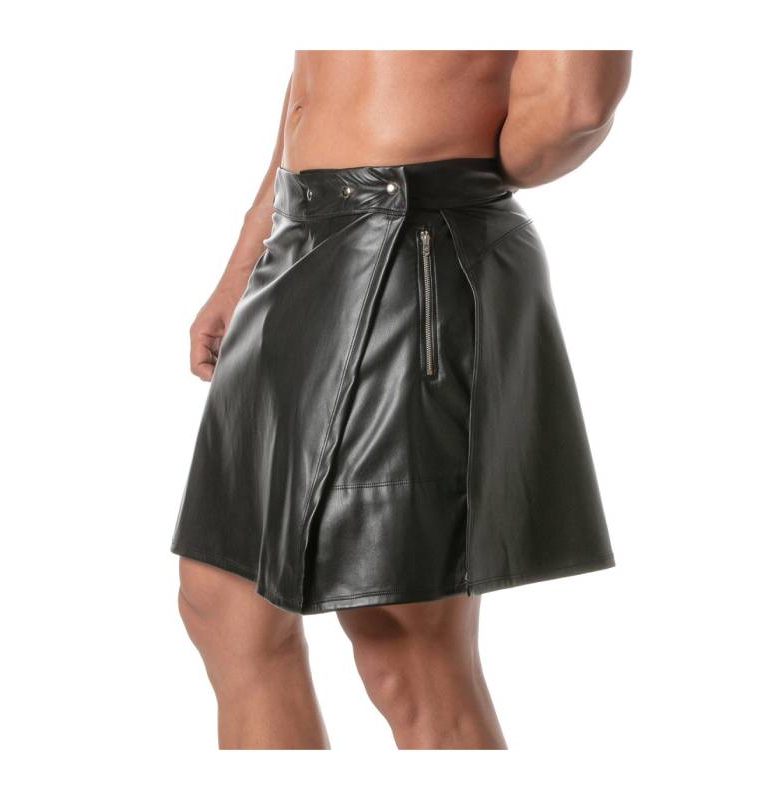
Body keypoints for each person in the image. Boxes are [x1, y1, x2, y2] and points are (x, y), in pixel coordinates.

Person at [171, 50, 631, 749]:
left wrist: (441, 178)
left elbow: (577, 107)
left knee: (406, 646)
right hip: (299, 241)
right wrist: (245, 263)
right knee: (225, 606)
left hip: (408, 249)